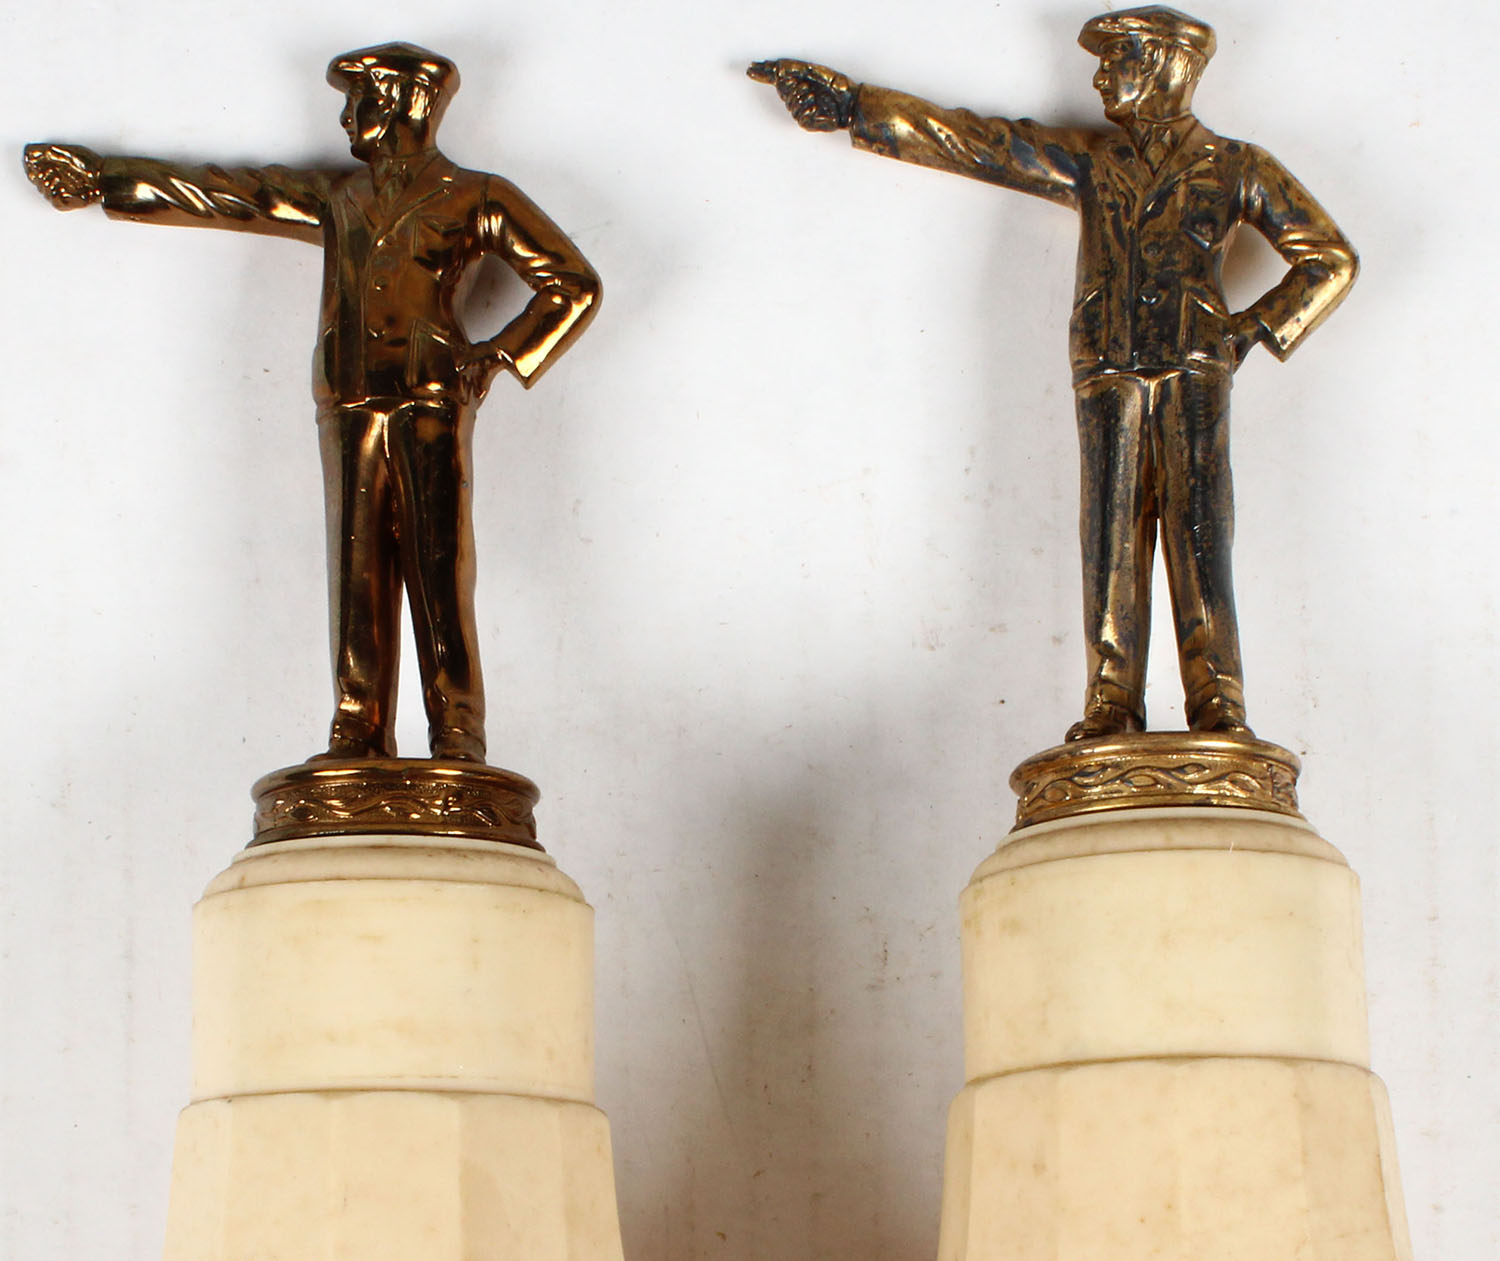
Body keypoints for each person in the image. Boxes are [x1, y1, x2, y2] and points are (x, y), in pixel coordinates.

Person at [751, 6, 1357, 740]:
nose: (1100, 79)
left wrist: (1247, 331)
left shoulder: (1238, 166)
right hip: (1106, 367)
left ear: (1164, 68)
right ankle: (1111, 701)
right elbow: (980, 144)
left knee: (1199, 533)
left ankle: (1218, 705)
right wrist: (857, 107)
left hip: (1193, 373)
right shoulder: (1091, 158)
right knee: (1108, 535)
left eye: (1117, 61)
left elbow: (1330, 260)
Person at [25, 42, 600, 764]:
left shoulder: (476, 195)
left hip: (429, 402)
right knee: (355, 571)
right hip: (348, 400)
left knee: (438, 569)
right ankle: (358, 724)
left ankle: (457, 732)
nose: (346, 118)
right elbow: (234, 195)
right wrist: (106, 179)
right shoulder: (339, 196)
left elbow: (572, 284)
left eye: (359, 101)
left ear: (402, 104)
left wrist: (496, 358)